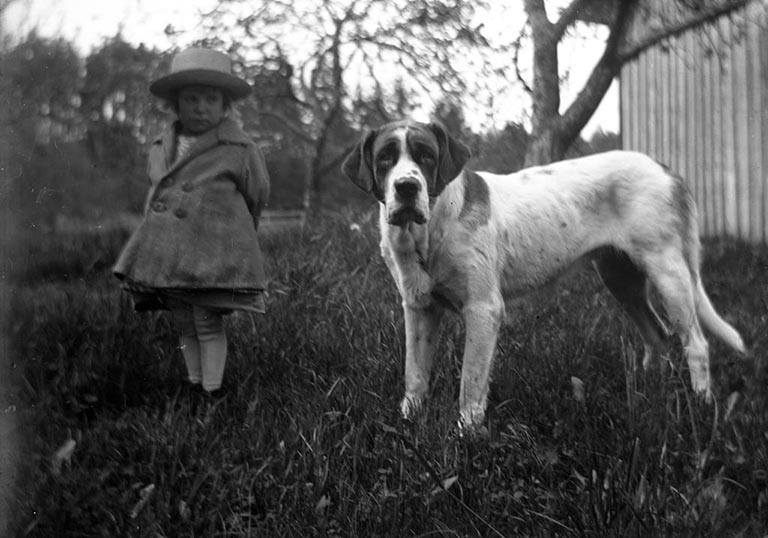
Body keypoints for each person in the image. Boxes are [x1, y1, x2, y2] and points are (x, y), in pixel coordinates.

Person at [113, 47, 270, 397]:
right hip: (170, 252)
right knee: (184, 320)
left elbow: (256, 195)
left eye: (211, 99)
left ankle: (212, 391)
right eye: (192, 98)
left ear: (225, 105)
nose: (201, 107)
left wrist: (235, 235)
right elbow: (158, 193)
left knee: (206, 320)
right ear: (175, 104)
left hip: (211, 252)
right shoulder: (161, 145)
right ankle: (194, 383)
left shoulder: (239, 148)